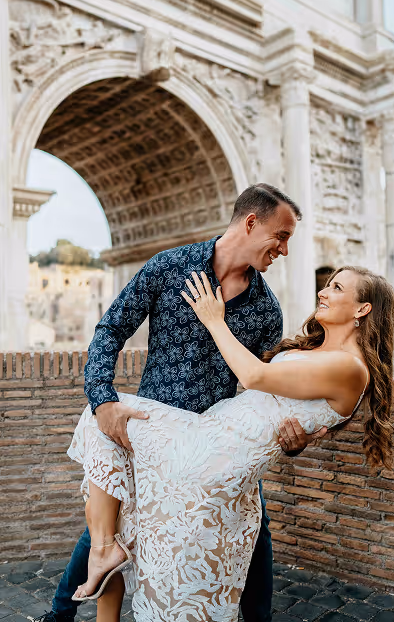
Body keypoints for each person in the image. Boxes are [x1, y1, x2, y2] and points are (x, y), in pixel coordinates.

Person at [37, 184, 323, 622]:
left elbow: (266, 392)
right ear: (251, 223)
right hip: (155, 432)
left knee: (255, 526)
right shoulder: (169, 268)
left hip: (217, 442)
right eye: (280, 236)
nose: (284, 249)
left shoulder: (266, 309)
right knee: (107, 527)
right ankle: (58, 618)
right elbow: (111, 329)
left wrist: (293, 436)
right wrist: (102, 401)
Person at [68, 265, 394, 621]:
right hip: (208, 435)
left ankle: (102, 552)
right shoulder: (319, 350)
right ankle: (104, 555)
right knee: (106, 424)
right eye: (328, 285)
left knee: (101, 415)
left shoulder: (350, 367)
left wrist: (213, 319)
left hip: (213, 455)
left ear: (363, 309)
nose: (324, 292)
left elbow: (254, 376)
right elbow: (310, 414)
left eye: (336, 288)